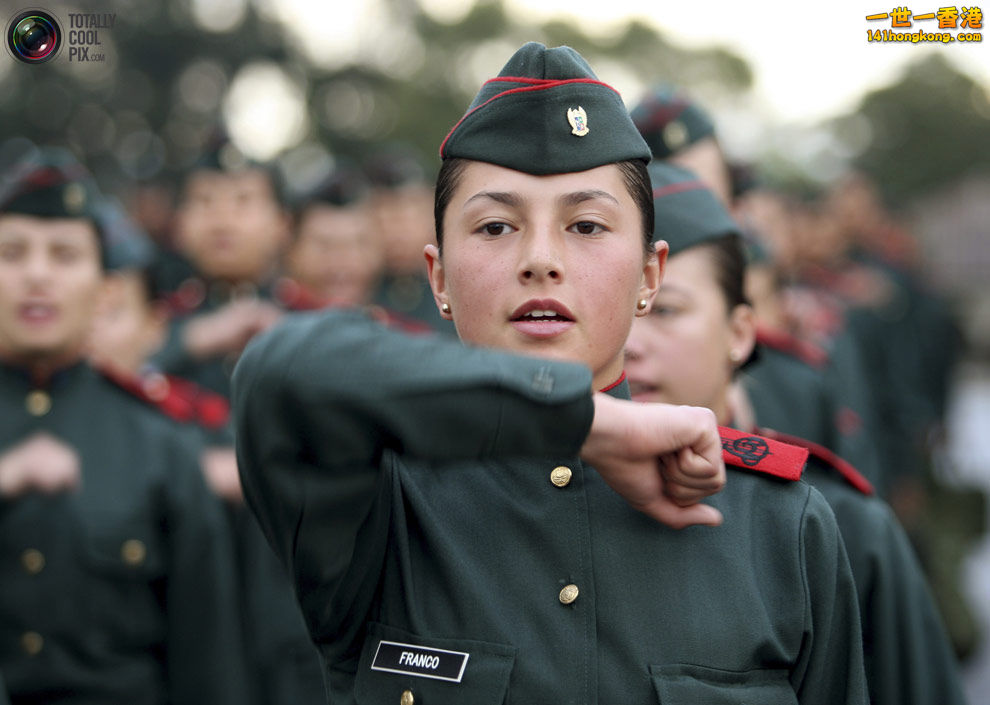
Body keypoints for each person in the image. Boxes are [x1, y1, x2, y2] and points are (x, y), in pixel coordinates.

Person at [233, 42, 867, 704]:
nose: (540, 259)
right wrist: (579, 419)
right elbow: (279, 376)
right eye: (496, 226)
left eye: (587, 224)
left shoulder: (780, 527)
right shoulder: (382, 506)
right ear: (439, 278)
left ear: (650, 276)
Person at [624, 162, 967, 705]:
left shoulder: (835, 526)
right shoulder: (524, 503)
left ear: (740, 333)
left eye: (663, 310)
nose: (630, 342)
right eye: (613, 311)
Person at [0, 152, 248, 703]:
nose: (37, 274)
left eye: (64, 255)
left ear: (103, 289)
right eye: (12, 253)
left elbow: (209, 666)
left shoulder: (160, 444)